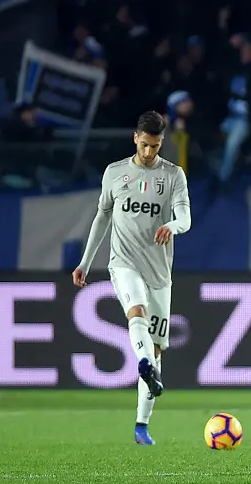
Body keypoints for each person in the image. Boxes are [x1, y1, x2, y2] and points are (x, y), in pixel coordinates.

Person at [72, 111, 192, 445]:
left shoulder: (173, 176)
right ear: (134, 138)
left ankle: (142, 425)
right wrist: (85, 262)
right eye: (145, 144)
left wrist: (173, 225)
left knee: (157, 349)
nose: (150, 152)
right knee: (134, 311)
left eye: (155, 146)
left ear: (161, 142)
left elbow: (186, 217)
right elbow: (102, 217)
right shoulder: (115, 173)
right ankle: (141, 362)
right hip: (123, 262)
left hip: (159, 271)